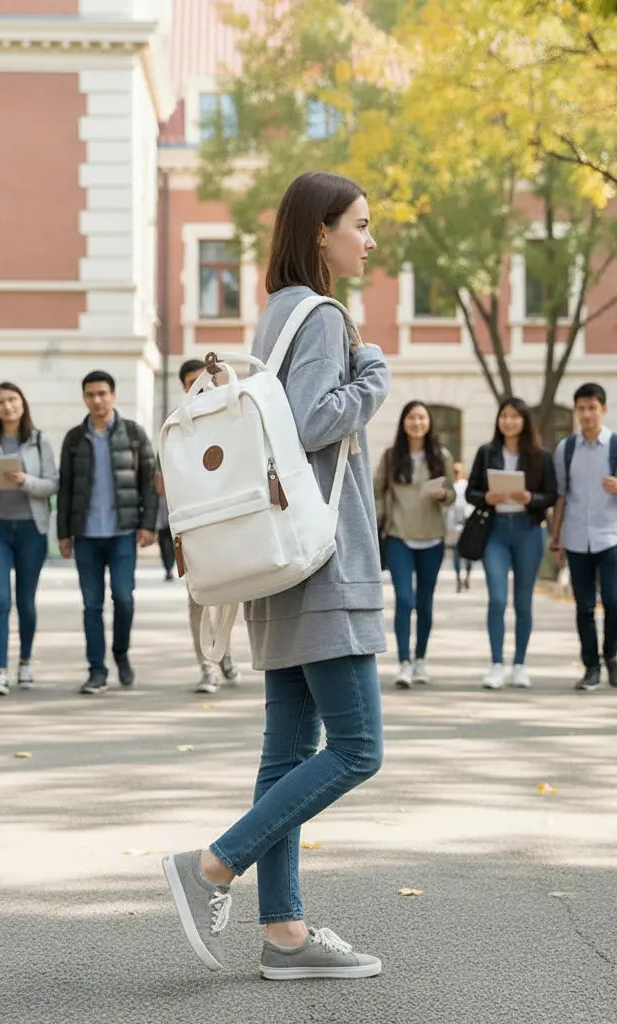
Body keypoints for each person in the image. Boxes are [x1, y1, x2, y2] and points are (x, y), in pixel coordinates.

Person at [162, 170, 390, 980]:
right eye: (359, 225)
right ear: (321, 231)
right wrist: (374, 379)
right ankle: (214, 865)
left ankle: (285, 934)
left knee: (289, 751)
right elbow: (312, 420)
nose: (369, 239)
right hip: (324, 560)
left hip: (282, 561)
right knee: (359, 747)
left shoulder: (277, 312)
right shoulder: (322, 314)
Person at [56, 371, 158, 695]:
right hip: (86, 535)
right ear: (84, 398)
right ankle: (96, 669)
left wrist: (148, 523)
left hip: (122, 533)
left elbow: (149, 483)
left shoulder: (133, 434)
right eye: (90, 394)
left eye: (102, 393)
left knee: (124, 599)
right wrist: (64, 533)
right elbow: (66, 487)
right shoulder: (74, 438)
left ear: (113, 395)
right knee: (91, 605)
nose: (97, 400)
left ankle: (121, 653)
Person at [550, 382, 617, 692]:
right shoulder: (566, 449)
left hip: (611, 535)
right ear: (576, 411)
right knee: (584, 607)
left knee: (614, 602)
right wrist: (556, 537)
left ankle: (612, 658)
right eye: (581, 408)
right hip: (577, 538)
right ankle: (591, 666)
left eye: (593, 408)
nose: (587, 414)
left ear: (603, 410)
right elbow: (561, 496)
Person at [0, 382, 59, 696]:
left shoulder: (39, 441)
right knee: (0, 600)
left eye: (12, 400)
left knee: (25, 601)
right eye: (0, 402)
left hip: (30, 530)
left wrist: (25, 481)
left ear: (22, 404)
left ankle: (25, 662)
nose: (7, 406)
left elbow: (51, 484)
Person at [466, 398, 557, 690]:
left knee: (522, 601)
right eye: (504, 416)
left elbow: (551, 495)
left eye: (515, 416)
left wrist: (531, 498)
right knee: (496, 599)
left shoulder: (540, 456)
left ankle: (519, 664)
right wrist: (486, 498)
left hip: (528, 531)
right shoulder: (486, 452)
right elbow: (471, 492)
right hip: (495, 532)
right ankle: (495, 664)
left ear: (525, 421)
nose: (509, 421)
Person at [170, 358, 242, 694]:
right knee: (198, 598)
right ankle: (207, 667)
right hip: (194, 523)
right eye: (191, 382)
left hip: (229, 519)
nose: (199, 386)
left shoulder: (232, 416)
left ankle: (224, 649)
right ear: (184, 388)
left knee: (230, 595)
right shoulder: (176, 425)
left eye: (204, 379)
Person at [374, 401, 455, 688]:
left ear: (429, 422)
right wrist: (378, 523)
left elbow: (452, 496)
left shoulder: (441, 456)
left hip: (432, 537)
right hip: (399, 537)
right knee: (404, 600)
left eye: (422, 417)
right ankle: (404, 662)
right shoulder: (391, 456)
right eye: (411, 417)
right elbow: (378, 491)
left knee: (425, 603)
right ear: (403, 422)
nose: (417, 422)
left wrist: (443, 495)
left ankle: (421, 660)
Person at [445, 461, 473, 592]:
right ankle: (460, 577)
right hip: (457, 523)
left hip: (464, 522)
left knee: (464, 553)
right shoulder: (452, 487)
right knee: (459, 553)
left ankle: (464, 577)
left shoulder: (464, 486)